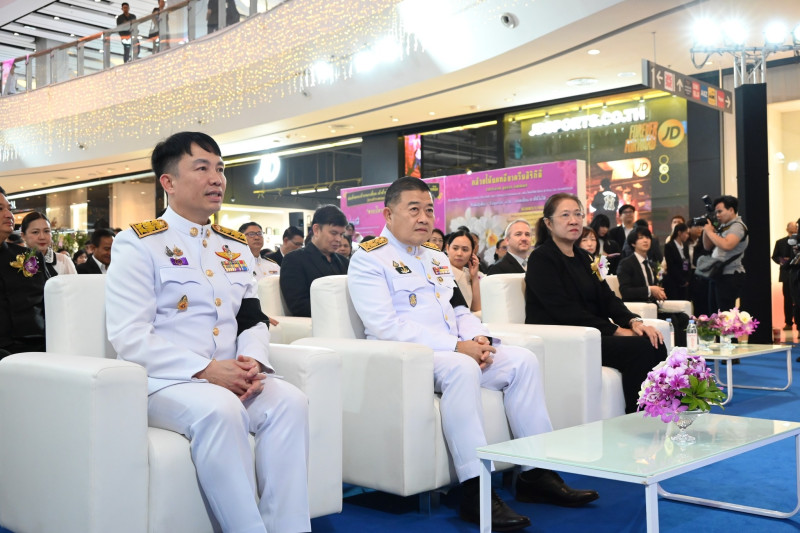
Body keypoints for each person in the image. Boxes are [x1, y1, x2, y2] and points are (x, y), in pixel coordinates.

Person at [348, 177, 598, 531]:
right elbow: (386, 326)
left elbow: (458, 309)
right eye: (414, 209)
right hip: (406, 358)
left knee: (522, 361)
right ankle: (475, 490)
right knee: (461, 369)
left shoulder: (435, 257)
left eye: (429, 210)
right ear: (388, 214)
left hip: (454, 350)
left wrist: (477, 338)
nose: (424, 217)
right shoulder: (369, 258)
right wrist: (457, 347)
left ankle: (537, 473)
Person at [106, 131, 309, 533]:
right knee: (221, 409)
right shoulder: (138, 243)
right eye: (201, 168)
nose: (216, 178)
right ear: (168, 182)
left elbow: (251, 316)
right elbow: (129, 335)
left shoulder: (233, 246)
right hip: (164, 381)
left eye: (220, 168)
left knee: (290, 402)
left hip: (230, 374)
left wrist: (252, 361)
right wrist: (206, 370)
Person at [525, 193, 666, 414]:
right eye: (565, 215)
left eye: (578, 214)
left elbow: (607, 297)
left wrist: (633, 322)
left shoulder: (585, 258)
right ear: (548, 223)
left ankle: (664, 412)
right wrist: (616, 330)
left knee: (654, 340)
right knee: (640, 348)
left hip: (592, 333)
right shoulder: (541, 259)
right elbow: (564, 310)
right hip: (567, 338)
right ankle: (638, 418)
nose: (574, 220)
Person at [0, 186, 53, 359]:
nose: (9, 215)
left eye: (9, 208)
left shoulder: (30, 256)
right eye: (0, 209)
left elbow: (50, 302)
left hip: (39, 349)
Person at [616, 226, 689, 346]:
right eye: (641, 238)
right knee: (673, 320)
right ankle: (672, 353)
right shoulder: (626, 264)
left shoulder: (651, 264)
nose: (645, 240)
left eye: (647, 237)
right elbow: (625, 291)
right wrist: (650, 290)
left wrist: (658, 292)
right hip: (638, 308)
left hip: (654, 306)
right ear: (633, 243)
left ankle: (684, 352)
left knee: (683, 317)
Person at [279, 205, 349, 317]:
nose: (338, 239)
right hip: (319, 322)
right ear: (316, 230)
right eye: (333, 233)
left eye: (341, 234)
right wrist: (339, 310)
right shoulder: (294, 260)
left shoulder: (344, 262)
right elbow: (298, 306)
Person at [702, 195, 748, 312]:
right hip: (717, 274)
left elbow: (727, 245)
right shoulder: (723, 226)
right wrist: (707, 229)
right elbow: (707, 246)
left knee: (725, 314)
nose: (717, 215)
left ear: (731, 210)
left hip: (730, 275)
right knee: (714, 313)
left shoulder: (737, 226)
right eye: (716, 212)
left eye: (720, 211)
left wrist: (710, 232)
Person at [20, 211, 77, 276]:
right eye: (35, 232)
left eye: (46, 231)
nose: (42, 237)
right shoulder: (18, 261)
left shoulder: (63, 261)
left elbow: (75, 282)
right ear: (23, 236)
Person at [445, 229, 482, 312]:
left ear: (472, 252)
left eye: (465, 250)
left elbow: (476, 309)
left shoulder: (469, 273)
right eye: (455, 248)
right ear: (447, 248)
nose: (459, 253)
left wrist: (474, 277)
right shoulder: (439, 271)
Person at [773, 221, 799, 331]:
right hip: (786, 274)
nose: (793, 233)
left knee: (797, 299)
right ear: (787, 230)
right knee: (787, 299)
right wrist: (784, 261)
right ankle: (788, 322)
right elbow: (775, 256)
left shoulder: (798, 241)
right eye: (791, 231)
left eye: (795, 231)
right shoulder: (780, 242)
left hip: (797, 273)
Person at [663, 222, 691, 301]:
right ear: (679, 233)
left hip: (684, 281)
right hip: (673, 282)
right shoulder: (669, 246)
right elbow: (671, 266)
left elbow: (687, 263)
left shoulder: (685, 246)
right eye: (686, 233)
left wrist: (686, 279)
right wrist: (681, 280)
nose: (687, 236)